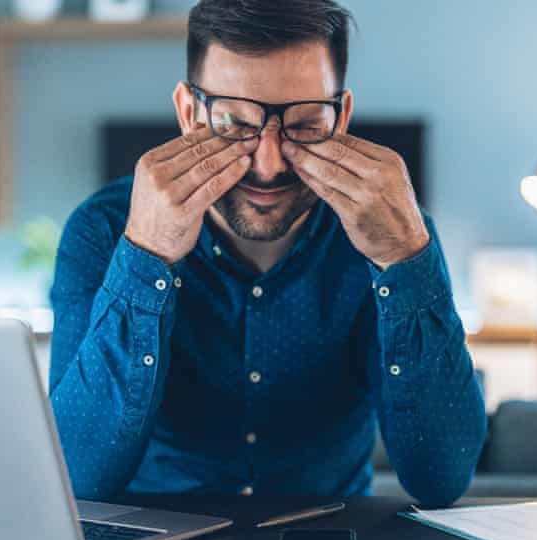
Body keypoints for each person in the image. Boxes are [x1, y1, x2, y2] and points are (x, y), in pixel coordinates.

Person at [49, 0, 486, 508]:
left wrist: (406, 259)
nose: (269, 162)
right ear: (189, 114)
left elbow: (442, 478)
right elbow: (77, 478)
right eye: (234, 123)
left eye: (304, 124)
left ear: (341, 117)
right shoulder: (102, 230)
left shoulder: (396, 233)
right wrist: (147, 256)